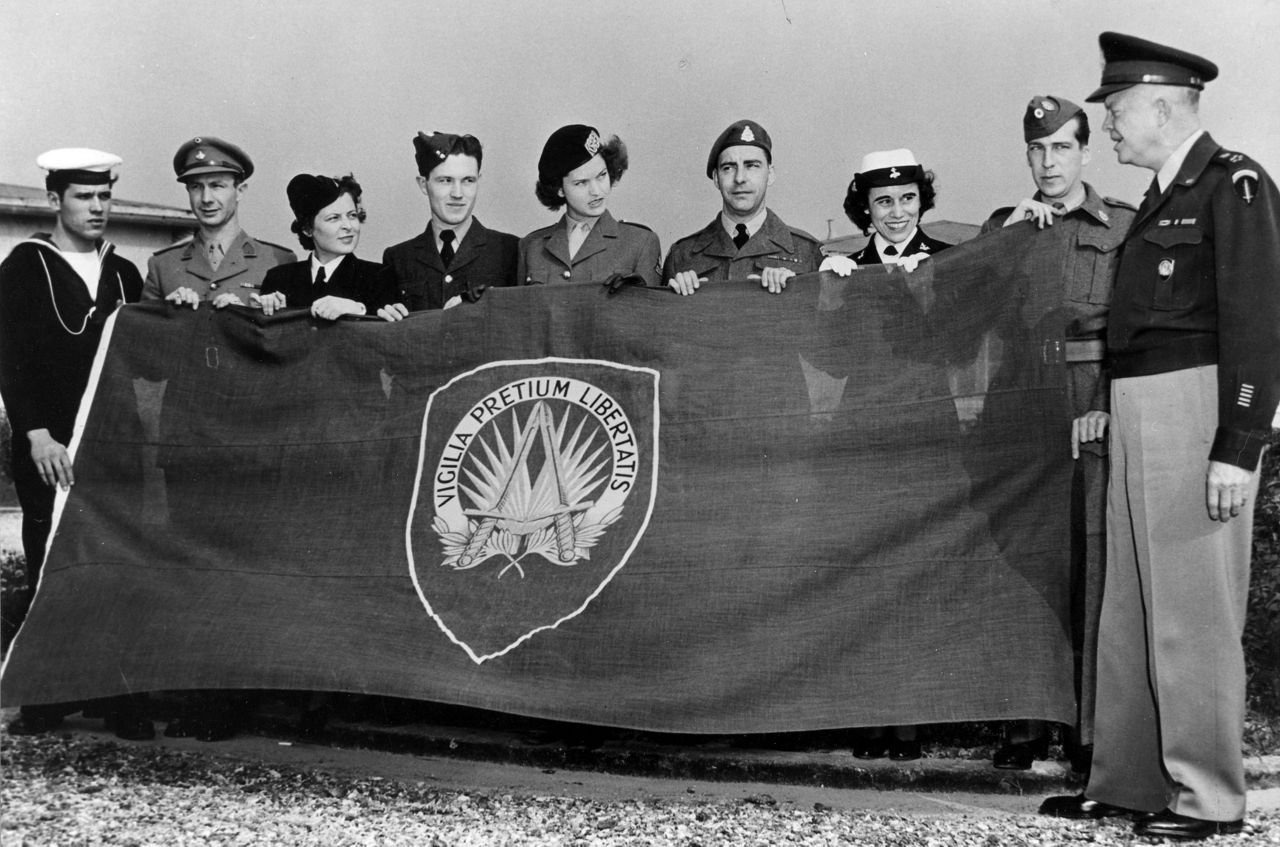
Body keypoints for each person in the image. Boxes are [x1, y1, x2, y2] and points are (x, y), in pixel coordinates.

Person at [1040, 32, 1280, 841]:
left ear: (1161, 105)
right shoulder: (1155, 199)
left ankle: (1208, 795)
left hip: (1196, 408)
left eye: (1114, 110)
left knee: (1192, 610)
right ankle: (1132, 780)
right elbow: (1133, 329)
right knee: (1131, 607)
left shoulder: (1233, 186)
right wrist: (1110, 398)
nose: (1107, 124)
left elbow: (1259, 320)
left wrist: (1239, 441)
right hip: (1142, 409)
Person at [983, 97, 1134, 773]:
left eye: (1062, 149)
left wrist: (1105, 404)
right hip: (1019, 405)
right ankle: (1024, 724)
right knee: (1021, 564)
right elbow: (959, 314)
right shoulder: (1004, 225)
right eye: (1037, 151)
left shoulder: (1122, 226)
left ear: (1085, 153)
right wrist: (1004, 240)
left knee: (1090, 564)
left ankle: (1091, 731)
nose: (1049, 163)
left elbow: (1136, 330)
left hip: (1087, 403)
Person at [0, 148, 150, 740]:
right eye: (83, 197)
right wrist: (36, 433)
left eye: (104, 196)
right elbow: (9, 357)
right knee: (52, 567)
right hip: (49, 446)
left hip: (113, 444)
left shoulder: (124, 274)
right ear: (54, 200)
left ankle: (118, 697)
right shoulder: (23, 267)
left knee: (116, 565)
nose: (96, 208)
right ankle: (47, 695)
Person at [663, 120, 823, 296]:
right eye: (728, 168)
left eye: (752, 166)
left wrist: (794, 293)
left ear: (770, 175)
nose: (740, 178)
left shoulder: (808, 251)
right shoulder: (682, 255)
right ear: (716, 178)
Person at [144, 137, 294, 309]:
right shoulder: (163, 266)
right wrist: (167, 311)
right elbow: (144, 332)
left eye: (217, 186)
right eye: (196, 187)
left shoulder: (277, 261)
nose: (206, 199)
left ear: (240, 191)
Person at [382, 132, 518, 311]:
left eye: (468, 180)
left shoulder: (510, 250)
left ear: (479, 182)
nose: (457, 193)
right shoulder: (398, 258)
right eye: (445, 180)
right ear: (423, 184)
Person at [518, 124, 662, 289]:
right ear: (559, 190)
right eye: (581, 183)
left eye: (601, 175)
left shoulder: (641, 243)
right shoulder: (531, 247)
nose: (596, 191)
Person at [258, 173, 404, 321]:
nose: (348, 226)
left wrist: (358, 309)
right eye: (334, 218)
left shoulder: (380, 276)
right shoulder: (279, 279)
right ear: (307, 229)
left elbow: (392, 333)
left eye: (352, 215)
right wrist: (269, 311)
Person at [843, 150, 949, 267]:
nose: (898, 214)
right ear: (865, 206)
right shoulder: (850, 268)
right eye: (885, 201)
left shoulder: (950, 259)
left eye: (908, 198)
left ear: (920, 200)